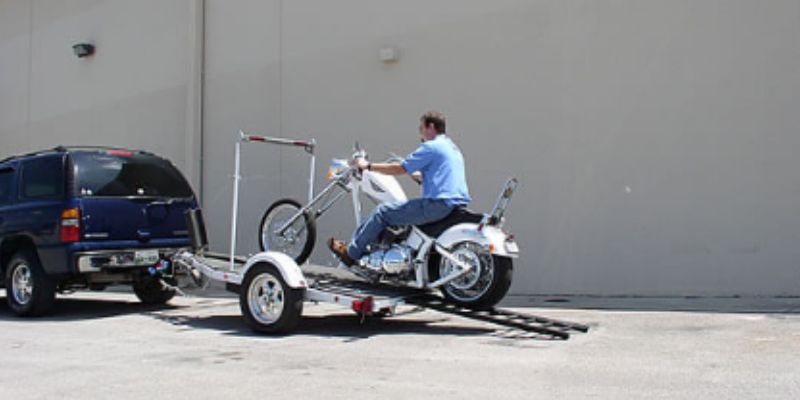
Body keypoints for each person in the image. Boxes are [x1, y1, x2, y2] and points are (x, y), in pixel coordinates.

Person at [328, 111, 471, 266]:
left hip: (437, 204)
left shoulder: (431, 147)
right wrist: (417, 176)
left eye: (421, 128)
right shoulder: (451, 147)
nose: (420, 132)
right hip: (454, 204)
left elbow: (401, 169)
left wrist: (368, 166)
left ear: (430, 126)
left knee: (383, 212)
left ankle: (351, 253)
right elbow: (440, 175)